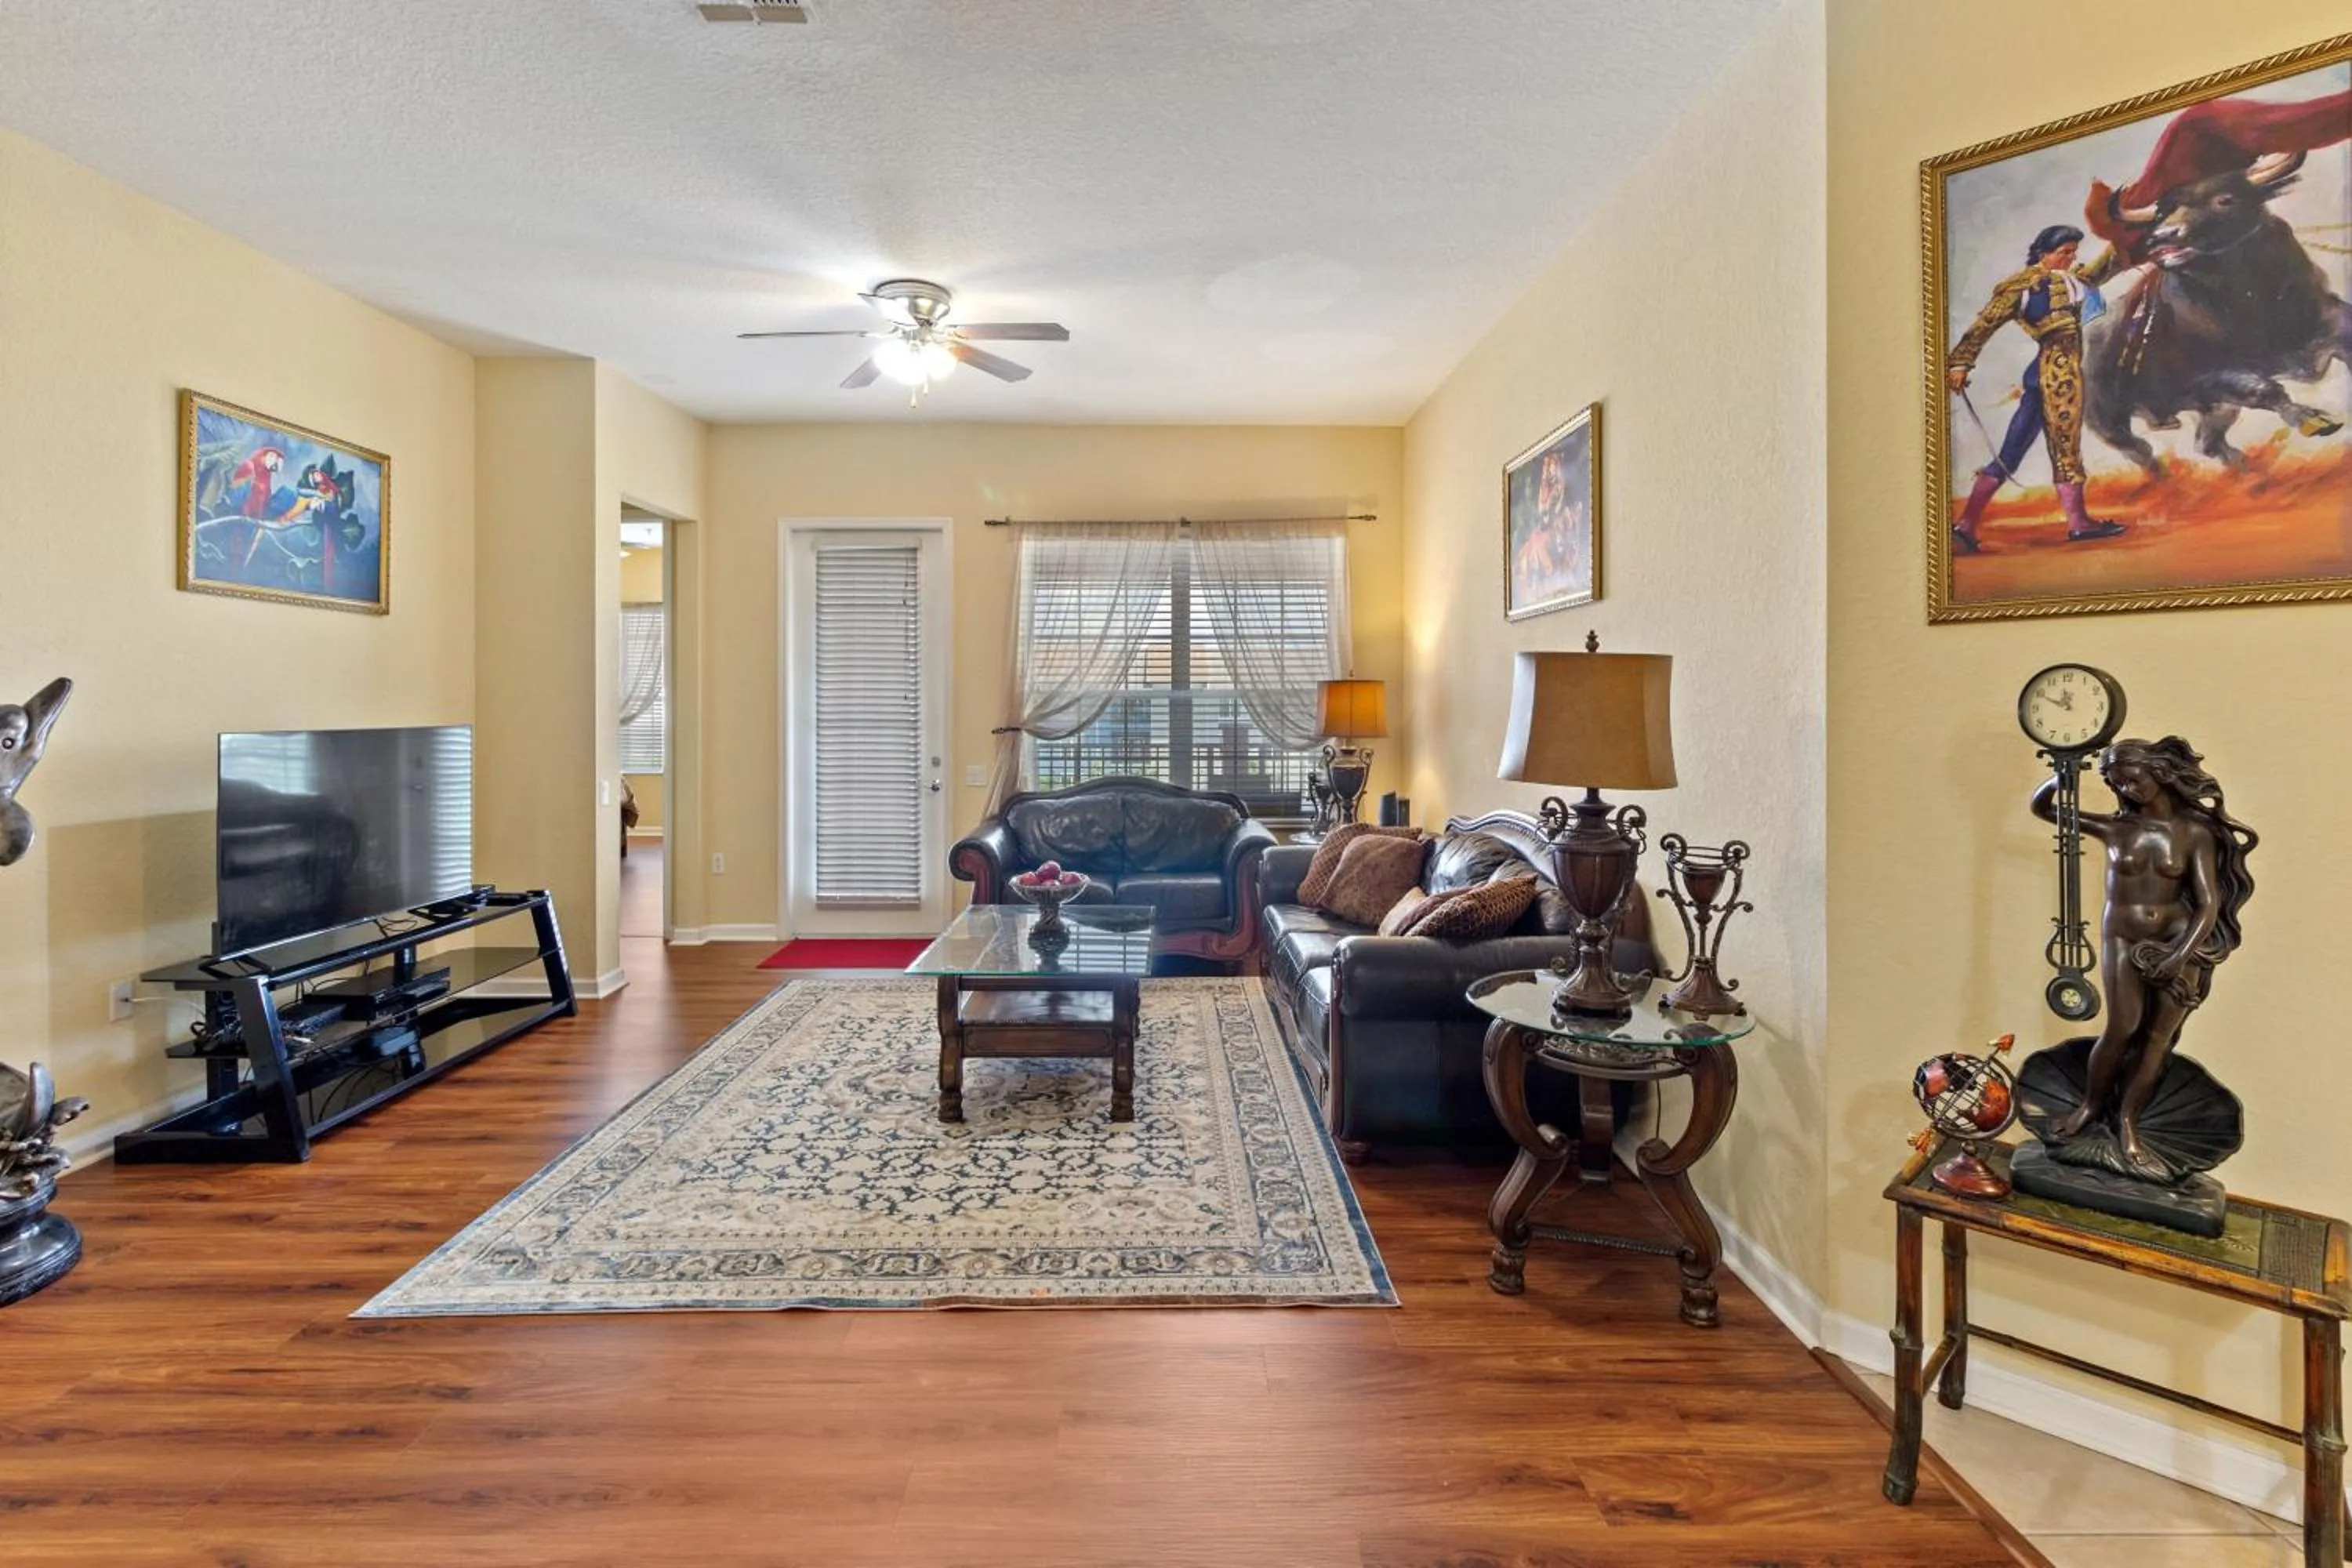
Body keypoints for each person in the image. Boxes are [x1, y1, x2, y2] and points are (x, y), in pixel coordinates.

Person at [2029, 737, 2256, 1181]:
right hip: (2122, 940)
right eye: (2117, 782)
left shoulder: (2195, 832)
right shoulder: (2115, 829)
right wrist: (2064, 773)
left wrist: (2179, 956)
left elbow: (2209, 905)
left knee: (2157, 1037)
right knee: (2121, 1027)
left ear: (2158, 773)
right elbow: (2044, 809)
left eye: (2133, 778)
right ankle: (2090, 1107)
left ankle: (2128, 1124)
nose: (2127, 789)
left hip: (2178, 939)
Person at [1946, 224, 2130, 553]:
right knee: (2065, 449)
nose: (2071, 257)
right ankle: (2078, 524)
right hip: (2057, 376)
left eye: (2073, 251)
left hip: (2042, 376)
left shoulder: (2071, 278)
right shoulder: (2021, 285)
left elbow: (2102, 268)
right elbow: (1986, 322)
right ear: (2043, 253)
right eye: (2064, 252)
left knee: (2011, 453)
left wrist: (2123, 235)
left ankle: (1966, 525)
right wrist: (1960, 362)